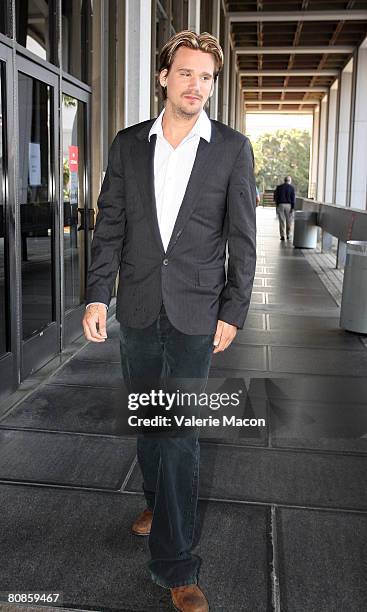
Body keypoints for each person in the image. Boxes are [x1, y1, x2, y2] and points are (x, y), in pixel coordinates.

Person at [82, 30, 256, 612]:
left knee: (178, 434)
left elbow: (243, 239)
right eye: (186, 73)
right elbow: (109, 225)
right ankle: (157, 501)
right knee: (146, 419)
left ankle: (176, 564)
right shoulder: (129, 144)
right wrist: (96, 296)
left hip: (196, 313)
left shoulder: (231, 148)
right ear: (164, 76)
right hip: (136, 306)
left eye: (207, 77)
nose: (197, 86)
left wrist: (233, 309)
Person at [274, 175, 295, 240]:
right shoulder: (291, 188)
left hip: (280, 205)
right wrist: (293, 207)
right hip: (288, 205)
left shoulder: (279, 187)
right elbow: (293, 198)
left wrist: (277, 205)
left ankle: (282, 235)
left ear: (284, 180)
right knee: (289, 221)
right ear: (289, 181)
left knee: (282, 221)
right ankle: (288, 235)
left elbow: (275, 197)